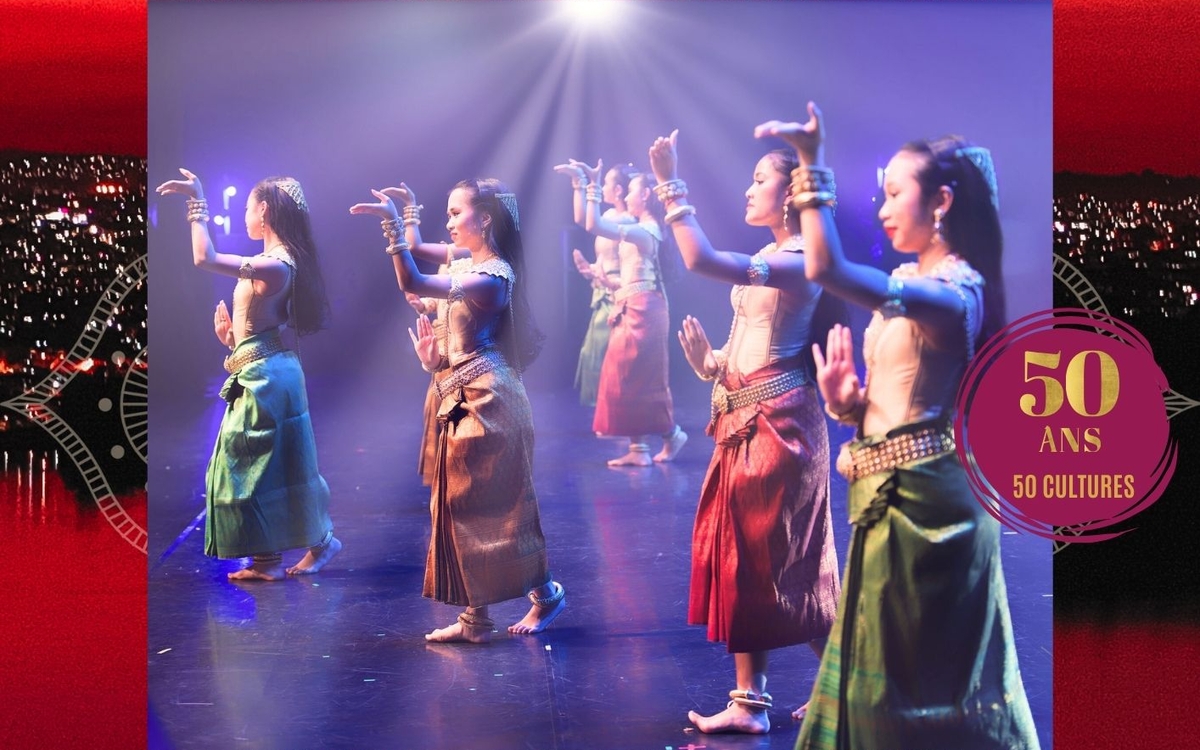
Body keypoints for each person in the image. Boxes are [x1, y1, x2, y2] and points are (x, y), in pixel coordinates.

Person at [756, 104, 1039, 749]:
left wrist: (811, 166)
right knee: (882, 670)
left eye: (894, 193)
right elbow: (897, 398)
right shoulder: (915, 279)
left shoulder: (955, 294)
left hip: (929, 509)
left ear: (941, 202)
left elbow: (826, 269)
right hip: (889, 498)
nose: (882, 209)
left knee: (919, 686)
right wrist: (848, 403)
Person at [645, 130, 842, 734]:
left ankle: (845, 685)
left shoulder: (797, 261)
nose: (748, 188)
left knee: (778, 562)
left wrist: (669, 184)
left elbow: (700, 259)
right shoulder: (777, 260)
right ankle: (753, 702)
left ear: (790, 196)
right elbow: (746, 343)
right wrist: (711, 363)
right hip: (745, 419)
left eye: (760, 179)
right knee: (748, 560)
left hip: (780, 427)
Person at [349, 178, 566, 642]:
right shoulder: (468, 263)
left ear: (484, 218)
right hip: (458, 396)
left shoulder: (492, 276)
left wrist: (391, 226)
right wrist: (408, 215)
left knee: (497, 508)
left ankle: (546, 595)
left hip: (490, 402)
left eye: (454, 213)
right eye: (444, 213)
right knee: (457, 506)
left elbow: (412, 275)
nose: (446, 223)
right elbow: (419, 258)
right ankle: (475, 619)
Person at [155, 169, 341, 581]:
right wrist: (231, 340)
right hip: (260, 367)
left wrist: (197, 201)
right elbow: (260, 323)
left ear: (265, 209)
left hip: (268, 377)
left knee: (247, 466)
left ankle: (317, 543)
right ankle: (268, 560)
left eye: (246, 208)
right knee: (266, 467)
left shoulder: (275, 264)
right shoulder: (275, 262)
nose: (243, 216)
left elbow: (204, 258)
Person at [556, 159, 687, 466]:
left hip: (644, 308)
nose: (627, 197)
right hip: (631, 301)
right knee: (628, 375)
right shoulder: (642, 228)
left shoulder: (646, 231)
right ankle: (639, 447)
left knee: (636, 375)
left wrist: (590, 182)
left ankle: (671, 432)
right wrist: (600, 278)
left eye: (632, 192)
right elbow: (630, 273)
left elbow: (593, 225)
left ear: (645, 197)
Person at [557, 162, 638, 407]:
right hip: (602, 289)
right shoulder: (611, 215)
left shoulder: (629, 221)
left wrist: (590, 183)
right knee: (593, 351)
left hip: (620, 291)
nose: (603, 188)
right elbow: (583, 218)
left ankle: (619, 407)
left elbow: (589, 223)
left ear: (620, 191)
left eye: (606, 183)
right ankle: (606, 408)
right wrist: (578, 184)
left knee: (610, 352)